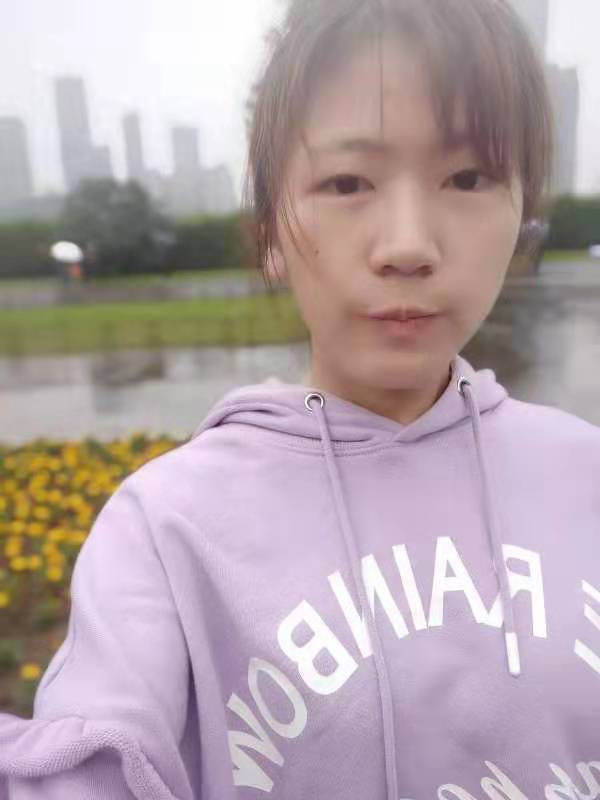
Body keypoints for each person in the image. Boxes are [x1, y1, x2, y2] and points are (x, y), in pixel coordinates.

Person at [1, 1, 599, 798]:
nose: (408, 246)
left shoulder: (584, 471)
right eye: (346, 182)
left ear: (522, 210)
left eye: (469, 177)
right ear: (270, 232)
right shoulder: (168, 528)